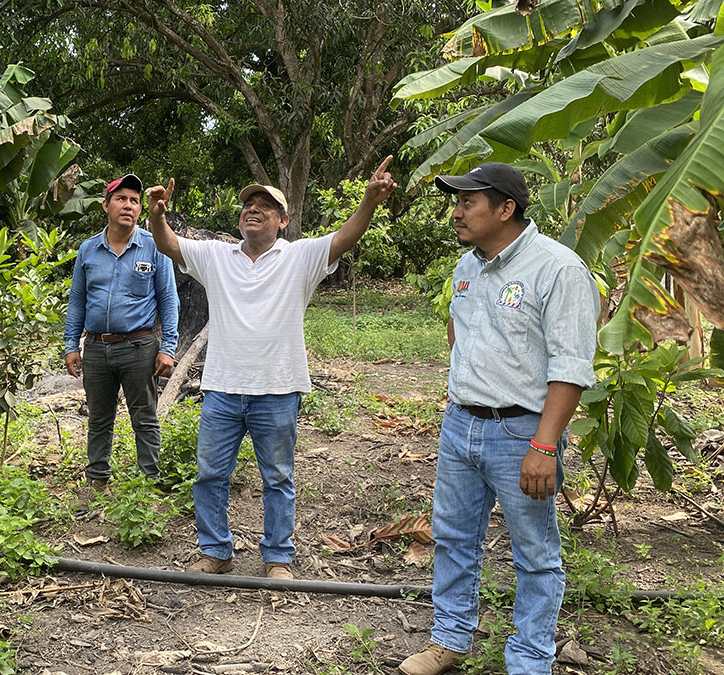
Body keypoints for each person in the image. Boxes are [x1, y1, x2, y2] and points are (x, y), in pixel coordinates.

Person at [146, 158, 398, 579]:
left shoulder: (300, 257)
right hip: (223, 389)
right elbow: (170, 245)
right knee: (210, 475)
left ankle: (278, 557)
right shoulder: (217, 257)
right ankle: (215, 552)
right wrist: (157, 216)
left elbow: (345, 238)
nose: (253, 209)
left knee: (277, 478)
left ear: (282, 221)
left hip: (278, 390)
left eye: (264, 205)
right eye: (248, 204)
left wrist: (370, 201)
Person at [398, 163, 598, 675]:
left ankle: (530, 659)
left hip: (522, 432)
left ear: (505, 209)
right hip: (461, 425)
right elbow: (457, 330)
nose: (456, 212)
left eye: (468, 202)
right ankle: (449, 639)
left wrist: (545, 445)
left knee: (534, 551)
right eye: (457, 202)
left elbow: (570, 366)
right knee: (454, 537)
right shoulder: (468, 266)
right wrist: (462, 394)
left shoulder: (558, 269)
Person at [64, 174, 179, 488]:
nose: (128, 205)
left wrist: (169, 347)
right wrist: (71, 345)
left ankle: (148, 483)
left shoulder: (154, 247)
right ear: (106, 205)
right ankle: (97, 478)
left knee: (144, 416)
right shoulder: (88, 251)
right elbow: (77, 300)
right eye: (121, 199)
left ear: (140, 209)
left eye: (134, 201)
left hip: (139, 347)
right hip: (97, 348)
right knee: (99, 418)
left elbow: (169, 298)